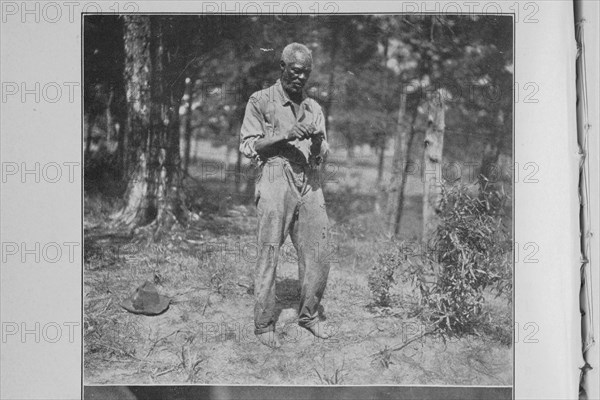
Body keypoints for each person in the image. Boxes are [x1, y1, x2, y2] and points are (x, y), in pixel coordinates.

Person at [239, 43, 332, 348]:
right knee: (269, 250)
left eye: (306, 73)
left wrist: (317, 141)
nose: (300, 78)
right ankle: (264, 324)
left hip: (309, 178)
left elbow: (321, 156)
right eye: (295, 71)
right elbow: (250, 145)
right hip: (275, 174)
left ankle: (308, 315)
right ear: (282, 67)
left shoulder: (314, 108)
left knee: (318, 248)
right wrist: (288, 134)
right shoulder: (261, 100)